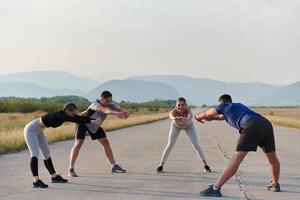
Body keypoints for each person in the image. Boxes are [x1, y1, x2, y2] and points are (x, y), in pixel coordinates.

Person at [195, 94, 281, 197]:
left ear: (221, 103)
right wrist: (212, 118)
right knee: (272, 158)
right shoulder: (237, 106)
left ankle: (215, 188)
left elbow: (205, 113)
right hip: (265, 124)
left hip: (251, 125)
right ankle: (275, 184)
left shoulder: (223, 105)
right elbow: (221, 117)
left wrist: (197, 117)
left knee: (235, 160)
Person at [24, 103, 101, 188]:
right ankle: (36, 181)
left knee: (46, 153)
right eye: (72, 113)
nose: (73, 115)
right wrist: (91, 121)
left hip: (39, 130)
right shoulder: (60, 115)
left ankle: (54, 177)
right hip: (31, 129)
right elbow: (76, 120)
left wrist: (93, 120)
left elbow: (77, 118)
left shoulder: (65, 115)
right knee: (35, 153)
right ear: (67, 110)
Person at [68, 91, 129, 176]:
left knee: (105, 142)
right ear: (101, 99)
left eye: (110, 100)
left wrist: (125, 112)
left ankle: (113, 166)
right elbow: (104, 110)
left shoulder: (110, 104)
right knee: (78, 143)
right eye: (107, 101)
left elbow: (119, 108)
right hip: (83, 123)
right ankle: (71, 168)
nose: (109, 103)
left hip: (94, 125)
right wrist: (117, 113)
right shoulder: (95, 104)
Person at [156, 97, 211, 173]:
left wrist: (185, 119)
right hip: (176, 126)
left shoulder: (188, 111)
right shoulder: (173, 111)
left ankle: (206, 165)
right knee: (170, 144)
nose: (181, 107)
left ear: (186, 105)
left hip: (188, 126)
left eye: (183, 105)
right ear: (176, 105)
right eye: (179, 105)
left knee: (195, 144)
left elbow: (189, 117)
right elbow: (171, 116)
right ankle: (160, 165)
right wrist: (175, 118)